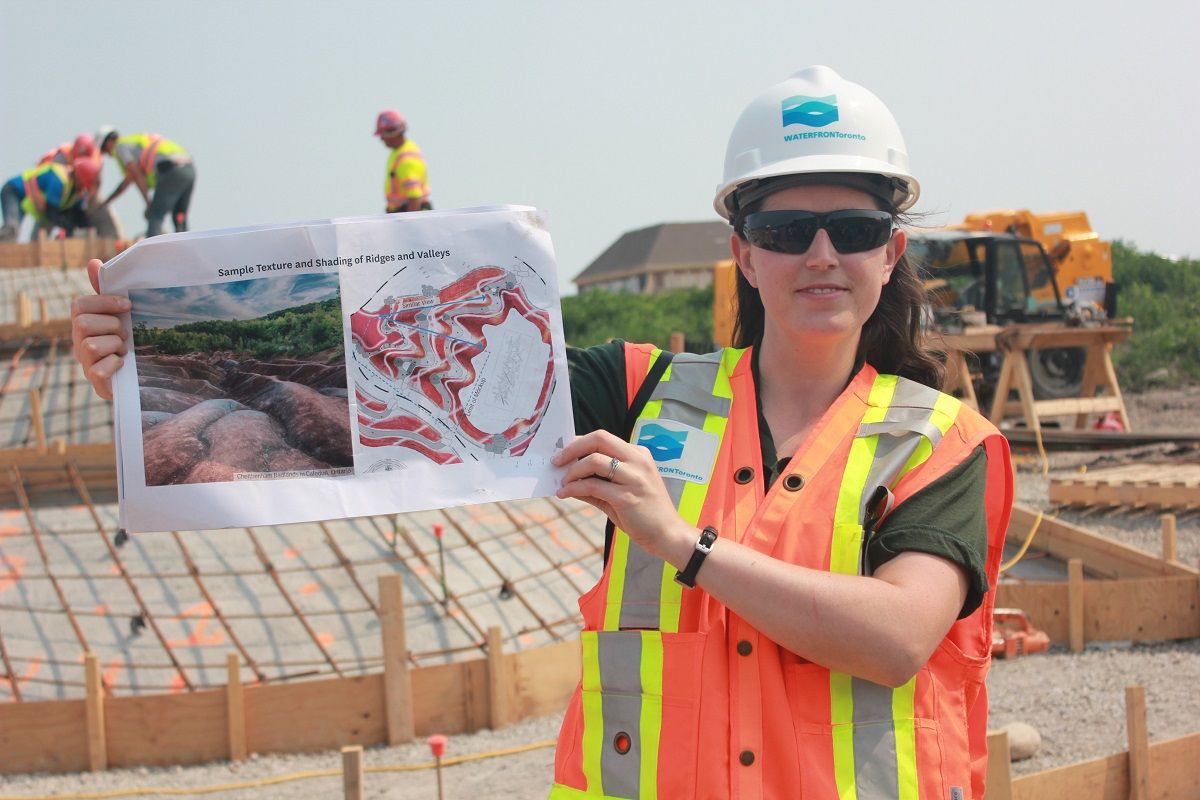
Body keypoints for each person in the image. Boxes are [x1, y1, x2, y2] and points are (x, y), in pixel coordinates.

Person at [71, 66, 1012, 800]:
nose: (819, 255)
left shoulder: (940, 444)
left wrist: (683, 545)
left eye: (852, 227)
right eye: (783, 226)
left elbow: (896, 639)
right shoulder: (645, 394)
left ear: (891, 252)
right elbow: (390, 383)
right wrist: (142, 348)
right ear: (742, 250)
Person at [101, 131, 195, 237]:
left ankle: (154, 250)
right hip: (189, 169)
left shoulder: (120, 146)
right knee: (180, 217)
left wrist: (149, 203)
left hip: (171, 170)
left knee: (155, 216)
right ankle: (186, 248)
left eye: (104, 150)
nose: (107, 154)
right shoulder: (136, 142)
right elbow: (127, 181)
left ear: (108, 142)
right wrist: (108, 201)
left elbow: (137, 174)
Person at [1, 157, 100, 241]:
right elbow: (51, 212)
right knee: (11, 229)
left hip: (27, 200)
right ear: (78, 178)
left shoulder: (74, 189)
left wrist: (83, 225)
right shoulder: (58, 179)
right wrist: (68, 226)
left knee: (42, 229)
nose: (83, 189)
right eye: (83, 185)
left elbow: (76, 213)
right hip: (14, 191)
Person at [375, 109, 432, 213]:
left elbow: (414, 197)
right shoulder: (398, 152)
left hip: (407, 214)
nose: (382, 139)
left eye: (383, 134)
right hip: (400, 215)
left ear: (392, 133)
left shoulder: (406, 158)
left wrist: (409, 226)